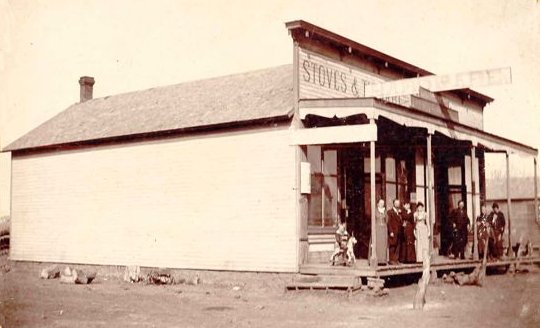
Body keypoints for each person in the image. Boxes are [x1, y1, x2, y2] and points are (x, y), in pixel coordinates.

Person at [387, 199, 402, 265]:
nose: (397, 205)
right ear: (393, 204)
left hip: (399, 231)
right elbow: (389, 222)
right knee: (392, 245)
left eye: (398, 203)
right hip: (393, 231)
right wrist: (390, 231)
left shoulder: (400, 212)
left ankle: (396, 259)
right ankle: (391, 260)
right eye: (396, 203)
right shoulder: (390, 212)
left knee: (398, 245)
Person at [375, 199, 388, 264]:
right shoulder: (375, 210)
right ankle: (377, 259)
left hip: (383, 229)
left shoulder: (385, 211)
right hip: (377, 229)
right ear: (378, 204)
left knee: (383, 244)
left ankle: (383, 260)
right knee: (377, 244)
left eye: (383, 203)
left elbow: (387, 220)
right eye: (380, 203)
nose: (381, 204)